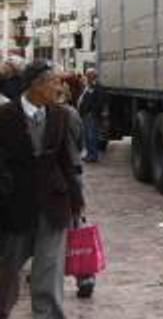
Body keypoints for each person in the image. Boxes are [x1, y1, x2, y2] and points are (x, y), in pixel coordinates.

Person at [0, 60, 86, 319]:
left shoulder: (62, 115)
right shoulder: (5, 117)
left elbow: (67, 160)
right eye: (55, 82)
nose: (60, 88)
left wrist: (76, 200)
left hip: (54, 205)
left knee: (48, 275)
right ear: (36, 85)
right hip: (14, 207)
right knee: (6, 270)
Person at [55, 83, 96, 299]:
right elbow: (80, 143)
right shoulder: (71, 114)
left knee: (48, 229)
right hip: (74, 173)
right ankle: (85, 276)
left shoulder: (49, 115)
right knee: (76, 226)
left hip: (56, 178)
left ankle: (45, 273)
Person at [77, 69, 105, 163]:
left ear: (93, 76)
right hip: (85, 114)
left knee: (92, 136)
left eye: (88, 75)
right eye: (86, 75)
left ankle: (93, 155)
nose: (86, 77)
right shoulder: (87, 86)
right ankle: (89, 154)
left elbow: (100, 101)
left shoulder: (97, 87)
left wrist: (91, 111)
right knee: (87, 136)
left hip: (91, 115)